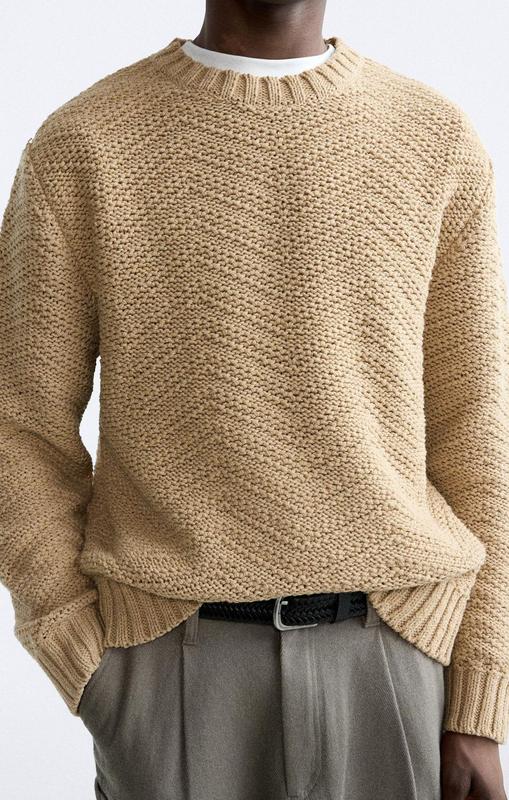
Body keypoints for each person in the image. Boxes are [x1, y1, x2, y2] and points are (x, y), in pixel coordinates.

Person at [1, 0, 508, 798]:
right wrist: (75, 644)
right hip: (170, 667)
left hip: (395, 660)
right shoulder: (84, 143)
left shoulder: (434, 139)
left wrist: (480, 692)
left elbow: (477, 428)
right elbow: (19, 424)